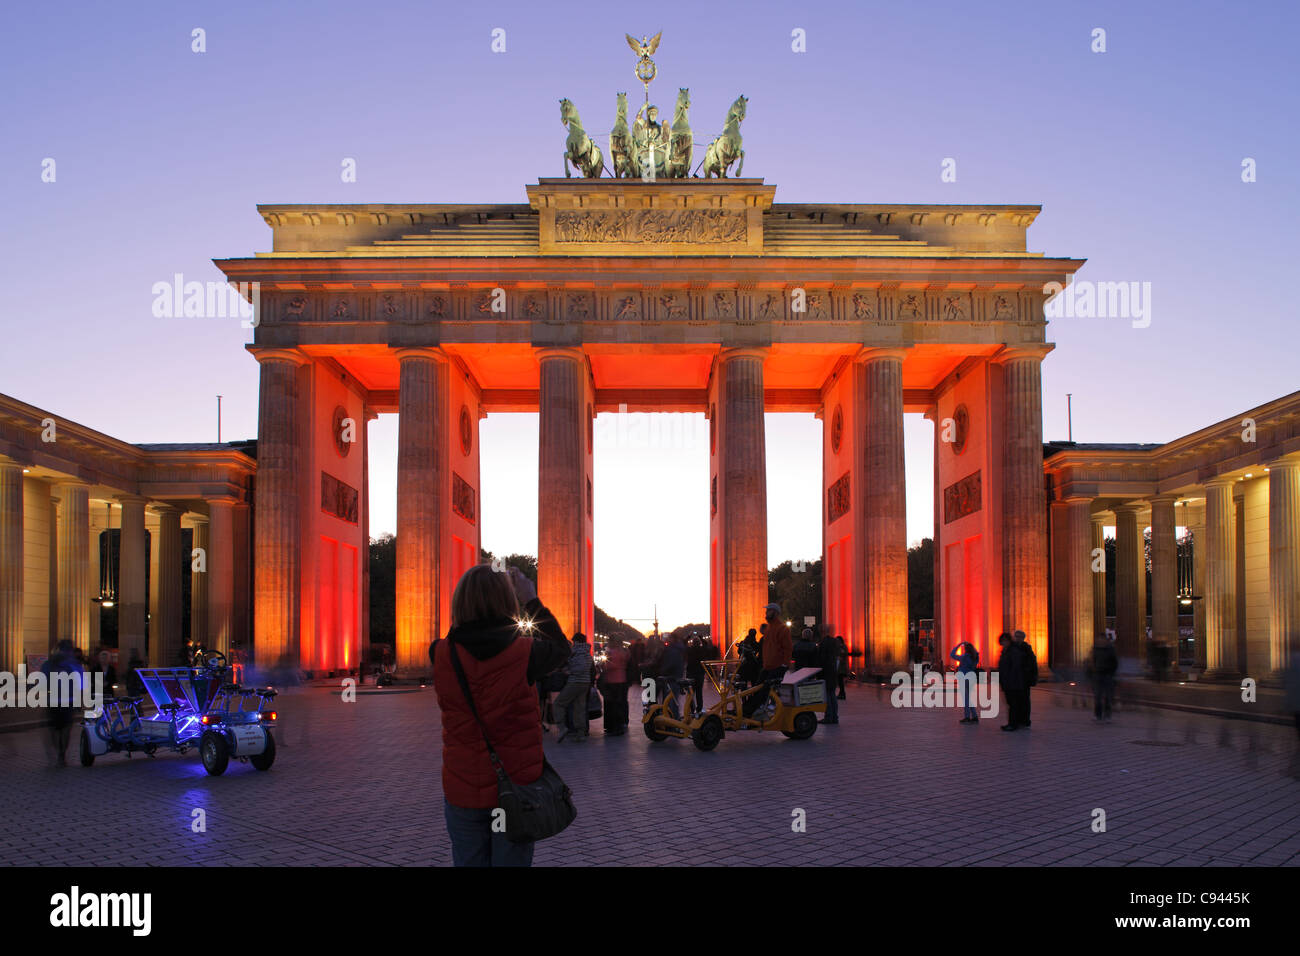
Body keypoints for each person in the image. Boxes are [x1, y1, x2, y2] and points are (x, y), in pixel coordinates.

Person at [430, 564, 571, 867]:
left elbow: (461, 636)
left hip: (462, 785)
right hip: (517, 788)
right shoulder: (526, 653)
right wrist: (531, 601)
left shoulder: (439, 652)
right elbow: (562, 649)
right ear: (507, 601)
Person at [41, 640, 84, 767]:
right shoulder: (74, 664)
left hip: (53, 700)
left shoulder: (48, 663)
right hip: (68, 700)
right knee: (65, 729)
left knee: (54, 729)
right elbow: (79, 684)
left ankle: (58, 751)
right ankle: (61, 754)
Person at [553, 633, 594, 741]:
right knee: (579, 708)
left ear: (576, 641)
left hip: (574, 682)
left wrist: (568, 671)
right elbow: (587, 667)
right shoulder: (587, 653)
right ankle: (581, 733)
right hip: (585, 682)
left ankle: (562, 727)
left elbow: (578, 668)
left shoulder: (575, 652)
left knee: (558, 703)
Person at [601, 638, 631, 734]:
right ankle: (620, 725)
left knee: (611, 704)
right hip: (622, 679)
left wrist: (602, 665)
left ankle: (613, 727)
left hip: (611, 680)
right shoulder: (624, 652)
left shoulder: (611, 652)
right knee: (619, 703)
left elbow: (609, 666)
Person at [996, 632, 1023, 731]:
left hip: (1013, 682)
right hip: (1008, 682)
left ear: (1008, 641)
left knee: (1013, 704)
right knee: (1011, 704)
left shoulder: (1013, 651)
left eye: (1003, 642)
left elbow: (1015, 668)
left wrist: (1008, 679)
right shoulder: (1006, 651)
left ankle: (1013, 724)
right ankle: (1012, 723)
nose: (1002, 644)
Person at [1089, 633, 1118, 722]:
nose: (1100, 641)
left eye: (1102, 639)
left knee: (1107, 696)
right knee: (1097, 696)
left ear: (1105, 640)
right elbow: (1092, 661)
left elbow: (1115, 662)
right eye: (1099, 639)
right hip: (1097, 675)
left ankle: (1107, 715)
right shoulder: (1095, 649)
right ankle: (1098, 715)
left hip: (1107, 675)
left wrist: (1111, 673)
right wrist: (1092, 672)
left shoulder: (1110, 650)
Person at [760, 604, 792, 684]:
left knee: (763, 692)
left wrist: (784, 664)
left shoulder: (782, 628)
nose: (766, 612)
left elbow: (788, 648)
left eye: (769, 610)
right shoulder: (768, 628)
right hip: (768, 666)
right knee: (759, 691)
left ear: (776, 613)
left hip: (777, 666)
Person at [658, 631, 687, 718]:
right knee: (673, 699)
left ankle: (673, 720)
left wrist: (662, 671)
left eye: (670, 638)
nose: (668, 639)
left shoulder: (673, 650)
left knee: (671, 700)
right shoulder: (678, 648)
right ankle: (674, 718)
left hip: (672, 677)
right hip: (677, 675)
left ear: (673, 639)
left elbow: (671, 663)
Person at [949, 641, 980, 723]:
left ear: (966, 649)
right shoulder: (975, 656)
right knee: (968, 698)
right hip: (971, 677)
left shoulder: (965, 657)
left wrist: (959, 645)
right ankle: (975, 716)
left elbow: (952, 654)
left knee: (965, 698)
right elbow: (975, 652)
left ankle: (967, 717)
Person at [817, 631, 842, 724]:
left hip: (825, 675)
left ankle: (828, 716)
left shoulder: (824, 655)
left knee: (827, 695)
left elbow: (820, 663)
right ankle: (834, 717)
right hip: (832, 676)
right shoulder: (834, 656)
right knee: (832, 695)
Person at [1014, 630, 1038, 727]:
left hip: (1024, 680)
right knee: (1017, 701)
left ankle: (1025, 720)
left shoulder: (1027, 649)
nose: (1017, 638)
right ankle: (1019, 719)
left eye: (1019, 636)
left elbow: (1032, 665)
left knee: (1024, 700)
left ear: (1023, 638)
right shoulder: (1014, 648)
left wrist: (1030, 678)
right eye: (1016, 636)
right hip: (1016, 679)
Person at [686, 634, 707, 717]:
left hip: (691, 673)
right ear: (699, 643)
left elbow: (683, 644)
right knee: (699, 692)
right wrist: (701, 637)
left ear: (692, 643)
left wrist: (688, 637)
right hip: (700, 673)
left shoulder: (689, 650)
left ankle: (692, 709)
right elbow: (706, 644)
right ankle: (699, 709)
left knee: (691, 693)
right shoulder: (702, 650)